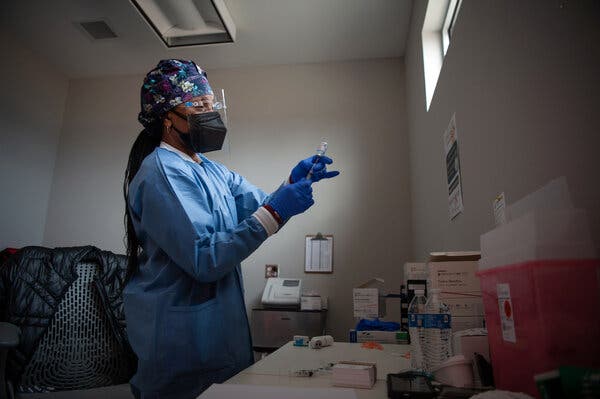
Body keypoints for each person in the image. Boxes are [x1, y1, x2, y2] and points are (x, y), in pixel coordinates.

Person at [122, 59, 339, 399]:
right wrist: (276, 209)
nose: (212, 114)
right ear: (167, 118)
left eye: (213, 106)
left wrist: (293, 182)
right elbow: (205, 257)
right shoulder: (161, 173)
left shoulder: (211, 169)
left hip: (219, 332)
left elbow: (262, 206)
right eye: (200, 106)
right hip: (182, 340)